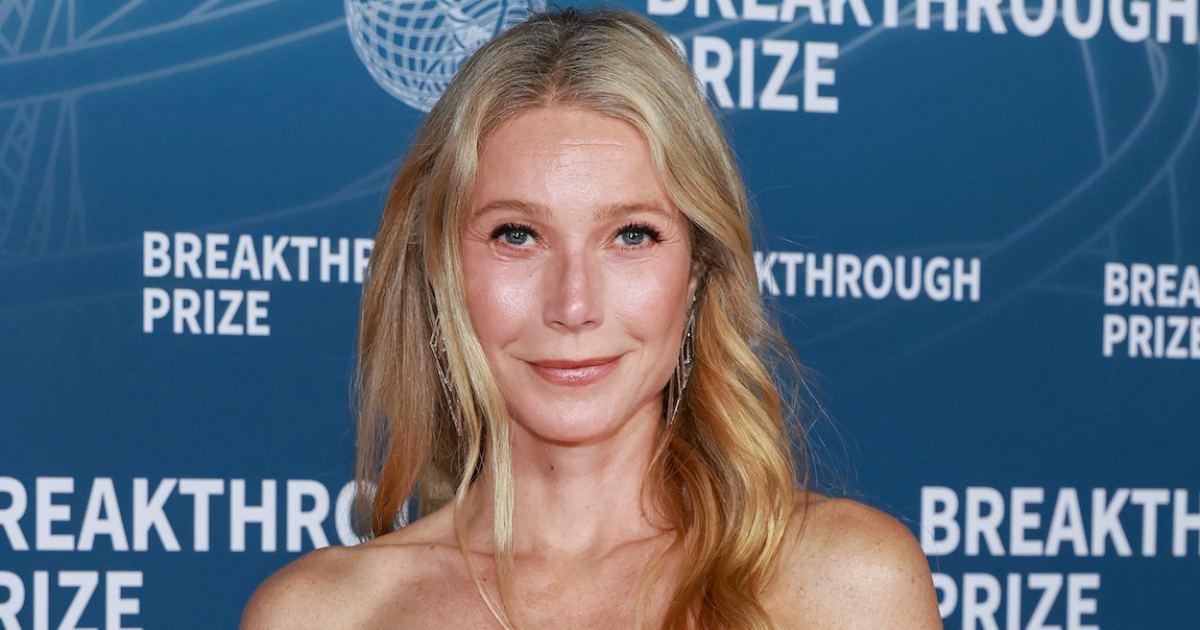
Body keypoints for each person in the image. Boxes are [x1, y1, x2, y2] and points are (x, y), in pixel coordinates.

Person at [241, 6, 941, 629]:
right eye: (517, 235)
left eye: (631, 235)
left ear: (697, 272)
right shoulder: (321, 615)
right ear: (441, 273)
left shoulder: (848, 586)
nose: (573, 305)